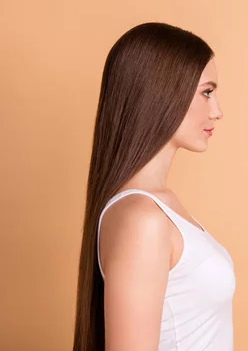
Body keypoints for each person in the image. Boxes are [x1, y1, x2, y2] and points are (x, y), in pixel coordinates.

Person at [72, 22, 235, 351]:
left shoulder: (160, 208)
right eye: (207, 92)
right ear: (162, 93)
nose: (217, 111)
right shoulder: (142, 219)